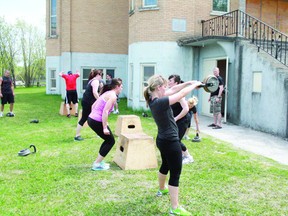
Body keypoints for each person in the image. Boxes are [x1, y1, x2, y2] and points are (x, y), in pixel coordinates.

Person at [144, 74, 201, 216]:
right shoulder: (160, 102)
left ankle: (161, 189)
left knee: (165, 165)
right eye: (164, 86)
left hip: (162, 140)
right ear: (158, 88)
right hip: (170, 141)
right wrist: (194, 86)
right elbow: (180, 94)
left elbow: (175, 88)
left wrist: (189, 81)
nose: (167, 87)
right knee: (175, 173)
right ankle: (174, 208)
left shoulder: (153, 98)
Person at [88, 78, 123, 171]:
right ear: (117, 87)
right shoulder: (113, 96)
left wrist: (97, 118)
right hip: (96, 121)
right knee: (110, 141)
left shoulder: (106, 93)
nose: (121, 89)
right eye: (121, 87)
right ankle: (97, 163)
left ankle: (99, 161)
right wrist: (104, 127)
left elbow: (93, 106)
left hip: (91, 119)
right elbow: (105, 111)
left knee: (107, 140)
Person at [168, 75, 194, 165]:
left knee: (176, 140)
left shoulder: (179, 95)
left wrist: (176, 118)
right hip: (177, 119)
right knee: (172, 138)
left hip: (183, 119)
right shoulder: (171, 92)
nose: (168, 82)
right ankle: (181, 155)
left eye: (170, 80)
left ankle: (188, 157)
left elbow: (186, 109)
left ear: (176, 83)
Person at [74, 69, 103, 141]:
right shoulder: (95, 81)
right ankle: (77, 136)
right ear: (98, 75)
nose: (101, 77)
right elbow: (94, 93)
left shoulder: (91, 80)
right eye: (101, 75)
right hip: (88, 103)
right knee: (90, 118)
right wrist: (100, 100)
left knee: (92, 118)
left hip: (86, 101)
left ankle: (98, 133)